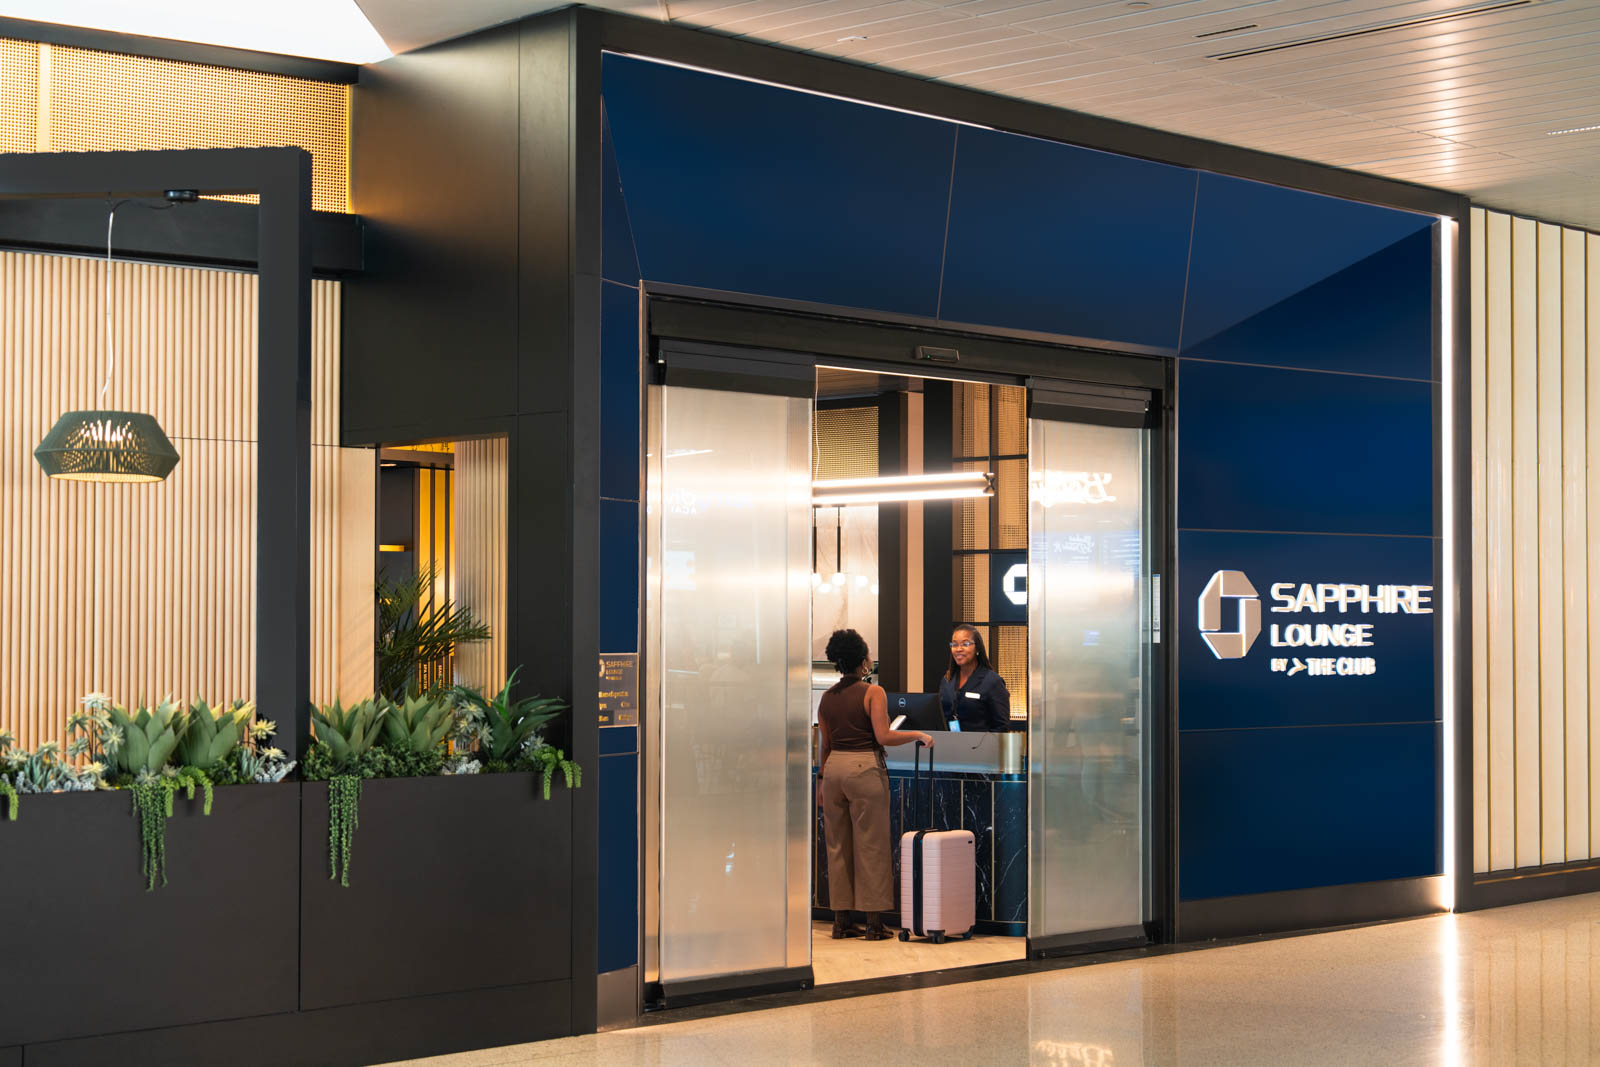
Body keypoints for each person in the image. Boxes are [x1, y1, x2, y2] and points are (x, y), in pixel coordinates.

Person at [817, 628, 933, 941]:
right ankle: (873, 923)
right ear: (862, 659)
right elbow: (884, 737)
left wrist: (821, 781)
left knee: (837, 846)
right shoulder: (873, 693)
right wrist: (918, 735)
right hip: (864, 768)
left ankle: (840, 922)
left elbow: (824, 745)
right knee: (871, 845)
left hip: (833, 771)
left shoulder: (826, 698)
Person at [938, 624, 1014, 732]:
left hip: (980, 746)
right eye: (954, 644)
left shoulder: (992, 681)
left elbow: (1002, 727)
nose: (959, 649)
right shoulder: (947, 680)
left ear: (977, 647)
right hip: (950, 745)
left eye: (965, 644)